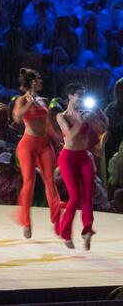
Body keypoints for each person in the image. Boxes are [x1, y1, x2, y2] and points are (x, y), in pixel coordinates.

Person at [55, 83, 108, 250]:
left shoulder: (87, 114)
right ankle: (65, 231)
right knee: (75, 197)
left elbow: (104, 128)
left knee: (87, 196)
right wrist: (81, 121)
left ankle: (87, 230)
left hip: (84, 157)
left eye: (84, 95)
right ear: (70, 96)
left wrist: (99, 113)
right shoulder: (61, 116)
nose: (82, 98)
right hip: (68, 158)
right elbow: (70, 137)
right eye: (79, 94)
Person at [12, 68, 63, 238]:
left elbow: (47, 124)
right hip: (28, 144)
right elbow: (18, 117)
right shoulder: (22, 100)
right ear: (32, 82)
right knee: (29, 182)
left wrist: (58, 138)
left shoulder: (44, 100)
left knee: (50, 181)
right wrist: (30, 100)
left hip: (44, 144)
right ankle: (26, 222)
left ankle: (57, 220)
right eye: (39, 78)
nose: (41, 81)